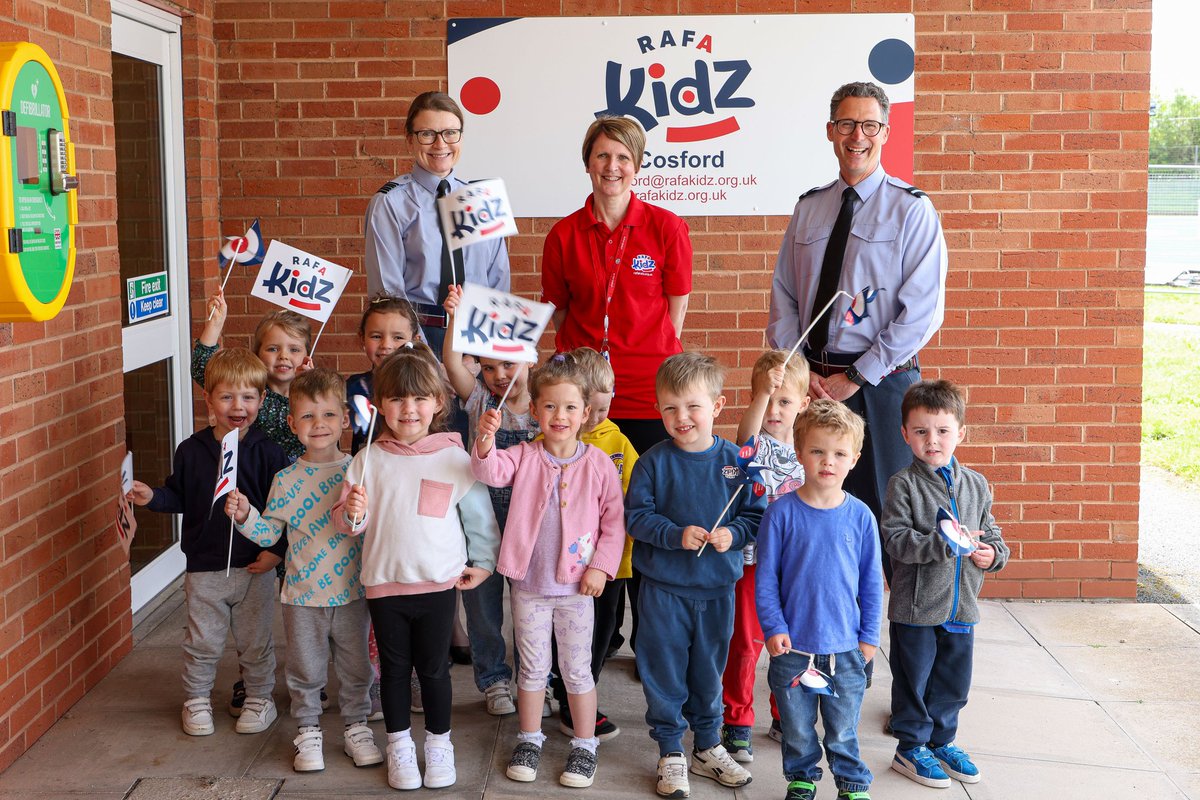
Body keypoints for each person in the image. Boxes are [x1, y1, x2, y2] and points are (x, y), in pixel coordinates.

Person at [766, 80, 948, 577]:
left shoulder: (912, 209)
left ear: (885, 132)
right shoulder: (810, 207)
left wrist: (858, 377)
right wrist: (799, 370)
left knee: (895, 511)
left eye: (869, 125)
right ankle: (828, 627)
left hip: (883, 384)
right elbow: (783, 294)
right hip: (815, 386)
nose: (857, 136)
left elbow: (922, 312)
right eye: (847, 123)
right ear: (831, 130)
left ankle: (892, 634)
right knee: (818, 506)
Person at [542, 114, 694, 666]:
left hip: (645, 392)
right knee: (584, 514)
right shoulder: (563, 234)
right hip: (585, 399)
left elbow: (674, 310)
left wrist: (653, 359)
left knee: (644, 511)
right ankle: (597, 638)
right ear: (588, 162)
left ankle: (647, 637)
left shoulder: (666, 228)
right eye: (603, 156)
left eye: (624, 157)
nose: (612, 167)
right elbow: (557, 309)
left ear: (638, 165)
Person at [335, 343, 500, 791]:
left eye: (420, 398)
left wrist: (484, 562)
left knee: (434, 670)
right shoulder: (367, 459)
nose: (409, 408)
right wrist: (352, 509)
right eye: (397, 399)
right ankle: (400, 746)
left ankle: (440, 745)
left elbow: (478, 517)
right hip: (385, 584)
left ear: (438, 403)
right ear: (380, 406)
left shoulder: (454, 457)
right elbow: (350, 524)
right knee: (392, 671)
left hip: (438, 585)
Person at [470, 353, 626, 788]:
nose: (560, 415)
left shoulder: (597, 464)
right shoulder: (521, 454)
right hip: (530, 585)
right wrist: (485, 441)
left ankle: (583, 744)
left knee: (577, 669)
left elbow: (614, 522)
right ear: (535, 410)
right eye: (551, 407)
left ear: (586, 414)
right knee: (533, 667)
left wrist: (600, 567)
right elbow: (489, 471)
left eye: (570, 407)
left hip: (577, 588)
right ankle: (529, 737)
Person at [224, 368, 381, 773]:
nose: (319, 425)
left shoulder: (360, 473)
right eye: (308, 417)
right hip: (302, 595)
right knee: (305, 668)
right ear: (292, 424)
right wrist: (245, 516)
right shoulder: (285, 479)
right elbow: (269, 534)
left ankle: (356, 727)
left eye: (328, 415)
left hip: (353, 592)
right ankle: (308, 731)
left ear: (345, 419)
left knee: (356, 667)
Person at [126, 348, 289, 738]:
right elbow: (180, 495)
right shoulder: (192, 450)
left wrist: (275, 553)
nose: (238, 406)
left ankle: (258, 697)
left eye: (249, 397)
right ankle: (196, 698)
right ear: (208, 400)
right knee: (203, 641)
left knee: (255, 643)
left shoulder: (269, 452)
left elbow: (285, 512)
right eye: (227, 397)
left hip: (254, 567)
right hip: (204, 567)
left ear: (262, 400)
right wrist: (154, 498)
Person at [625, 352, 765, 797]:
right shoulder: (652, 462)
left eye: (692, 406)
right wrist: (672, 535)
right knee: (663, 670)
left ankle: (707, 745)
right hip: (664, 591)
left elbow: (755, 516)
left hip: (718, 589)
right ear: (658, 411)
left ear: (718, 407)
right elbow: (636, 518)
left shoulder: (738, 463)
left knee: (709, 671)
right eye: (670, 408)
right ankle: (670, 750)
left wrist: (733, 534)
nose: (681, 417)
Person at [882, 380, 1009, 789]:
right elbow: (896, 540)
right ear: (905, 434)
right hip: (917, 608)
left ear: (960, 433)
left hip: (962, 607)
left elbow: (992, 533)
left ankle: (943, 741)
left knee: (953, 681)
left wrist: (992, 554)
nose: (931, 441)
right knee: (914, 681)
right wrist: (944, 544)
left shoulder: (976, 484)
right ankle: (910, 747)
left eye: (942, 431)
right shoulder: (903, 484)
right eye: (920, 431)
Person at [757, 400, 883, 800]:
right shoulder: (780, 514)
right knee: (795, 725)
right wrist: (773, 627)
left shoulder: (861, 516)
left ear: (854, 459)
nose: (828, 461)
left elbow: (871, 583)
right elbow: (766, 581)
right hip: (793, 645)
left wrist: (869, 637)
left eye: (839, 453)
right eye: (817, 451)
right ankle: (801, 777)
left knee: (843, 726)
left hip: (846, 647)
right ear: (799, 454)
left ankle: (851, 784)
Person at [443, 283, 539, 717]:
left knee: (531, 603)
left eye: (509, 364)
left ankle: (537, 678)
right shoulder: (479, 398)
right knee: (482, 605)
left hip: (529, 518)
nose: (500, 375)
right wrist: (454, 319)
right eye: (490, 366)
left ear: (530, 362)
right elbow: (450, 362)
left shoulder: (544, 405)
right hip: (480, 515)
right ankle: (494, 679)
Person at [363, 90, 509, 356]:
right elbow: (388, 293)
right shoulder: (391, 203)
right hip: (418, 337)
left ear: (461, 137)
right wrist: (422, 354)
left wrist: (484, 359)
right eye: (427, 134)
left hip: (475, 339)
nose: (440, 144)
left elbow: (498, 285)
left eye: (451, 133)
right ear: (410, 140)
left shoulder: (479, 200)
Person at [721, 350, 811, 761]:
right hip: (752, 564)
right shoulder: (755, 448)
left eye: (785, 401)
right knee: (745, 644)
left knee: (790, 645)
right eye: (767, 400)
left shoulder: (812, 450)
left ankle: (784, 714)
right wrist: (763, 393)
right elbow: (746, 436)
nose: (775, 410)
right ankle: (736, 719)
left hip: (795, 569)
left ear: (805, 404)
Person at [548, 347, 637, 742]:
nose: (598, 419)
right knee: (563, 632)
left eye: (605, 409)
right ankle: (566, 696)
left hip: (611, 564)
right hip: (564, 566)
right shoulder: (550, 441)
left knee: (601, 631)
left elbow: (633, 497)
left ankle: (584, 691)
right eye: (593, 409)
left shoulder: (619, 443)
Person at [195, 292, 313, 463]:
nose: (283, 356)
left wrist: (311, 389)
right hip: (252, 478)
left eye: (294, 350)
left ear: (307, 356)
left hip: (298, 483)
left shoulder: (315, 393)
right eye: (273, 349)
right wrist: (215, 324)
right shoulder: (248, 389)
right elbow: (202, 368)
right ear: (257, 354)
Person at [346, 293, 423, 455]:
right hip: (364, 472)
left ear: (415, 340)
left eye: (398, 337)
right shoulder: (353, 385)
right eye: (376, 336)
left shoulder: (422, 386)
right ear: (362, 339)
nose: (386, 345)